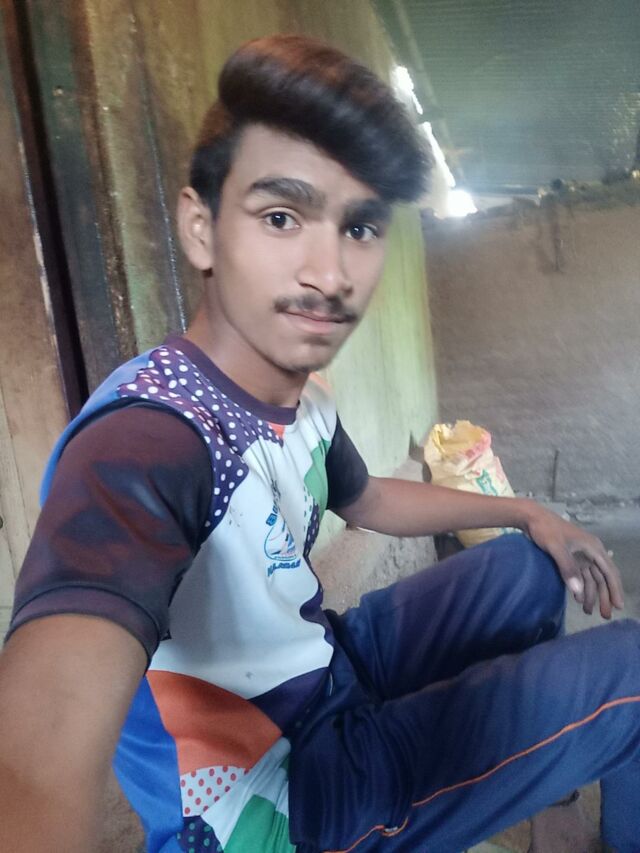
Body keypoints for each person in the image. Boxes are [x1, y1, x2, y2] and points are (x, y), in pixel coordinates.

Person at [0, 33, 638, 853]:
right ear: (201, 228)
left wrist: (528, 511)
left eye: (360, 226)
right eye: (281, 216)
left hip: (325, 672)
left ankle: (552, 802)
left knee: (524, 569)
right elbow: (36, 760)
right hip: (281, 799)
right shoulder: (148, 440)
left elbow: (366, 497)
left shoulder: (300, 402)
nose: (329, 272)